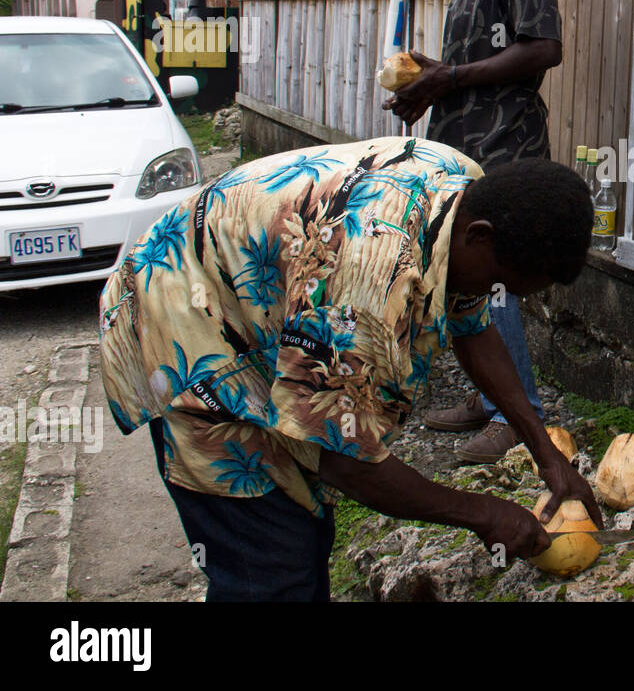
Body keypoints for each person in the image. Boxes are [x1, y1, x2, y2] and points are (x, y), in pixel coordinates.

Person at [98, 138, 602, 600]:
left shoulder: (467, 192)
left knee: (303, 532)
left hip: (253, 308)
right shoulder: (366, 283)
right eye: (502, 283)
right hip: (185, 324)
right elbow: (344, 460)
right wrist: (484, 513)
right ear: (481, 237)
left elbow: (472, 325)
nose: (500, 297)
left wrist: (547, 454)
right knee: (271, 564)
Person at [386, 0, 564, 464]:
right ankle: (485, 399)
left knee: (495, 276)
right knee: (464, 271)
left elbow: (544, 49)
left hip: (506, 148)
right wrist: (430, 85)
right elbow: (468, 73)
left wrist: (451, 76)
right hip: (467, 149)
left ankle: (519, 418)